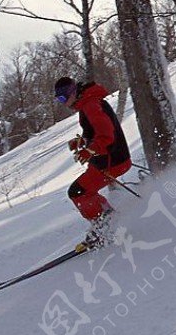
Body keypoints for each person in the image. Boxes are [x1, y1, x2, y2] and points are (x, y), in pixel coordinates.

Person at [53, 76, 132, 249]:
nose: (63, 103)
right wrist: (83, 142)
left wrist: (90, 150)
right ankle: (107, 219)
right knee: (82, 191)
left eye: (63, 98)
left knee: (78, 192)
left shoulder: (90, 105)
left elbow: (106, 134)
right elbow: (96, 131)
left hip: (112, 161)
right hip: (109, 159)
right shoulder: (88, 103)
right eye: (59, 99)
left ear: (73, 92)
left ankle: (105, 224)